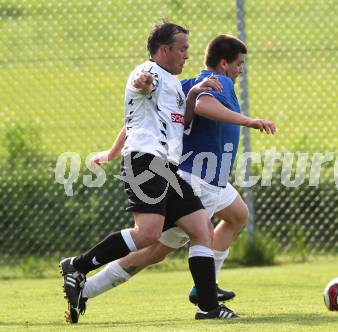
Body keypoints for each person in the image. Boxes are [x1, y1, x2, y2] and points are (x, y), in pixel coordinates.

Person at [75, 34, 276, 318]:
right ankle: (86, 288)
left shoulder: (181, 87)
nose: (241, 69)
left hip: (214, 182)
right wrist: (250, 121)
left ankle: (207, 286)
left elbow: (137, 120)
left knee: (238, 214)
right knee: (153, 251)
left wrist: (111, 152)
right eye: (240, 63)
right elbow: (205, 105)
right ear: (224, 64)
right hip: (198, 181)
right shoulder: (219, 82)